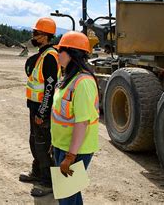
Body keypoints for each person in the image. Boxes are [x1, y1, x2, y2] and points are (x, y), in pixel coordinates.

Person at [51, 31, 99, 205]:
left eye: (60, 51)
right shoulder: (68, 78)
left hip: (75, 150)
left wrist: (70, 156)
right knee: (70, 194)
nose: (57, 55)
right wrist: (55, 143)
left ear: (72, 54)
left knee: (67, 197)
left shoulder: (83, 82)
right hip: (63, 145)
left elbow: (82, 122)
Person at [20, 17, 62, 197]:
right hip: (34, 107)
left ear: (45, 36)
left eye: (36, 33)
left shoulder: (50, 57)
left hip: (41, 109)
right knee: (34, 141)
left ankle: (47, 182)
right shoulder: (43, 55)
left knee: (42, 144)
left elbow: (50, 89)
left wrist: (43, 112)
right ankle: (37, 173)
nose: (33, 36)